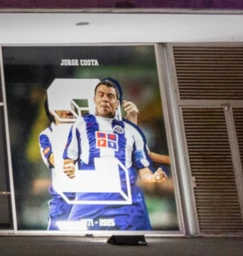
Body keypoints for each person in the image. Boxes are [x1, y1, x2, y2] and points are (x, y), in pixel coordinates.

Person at [60, 78, 171, 231]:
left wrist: (153, 178)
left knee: (139, 245)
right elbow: (69, 158)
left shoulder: (132, 131)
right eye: (101, 94)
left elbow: (143, 169)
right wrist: (69, 167)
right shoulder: (81, 125)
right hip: (91, 198)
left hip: (125, 200)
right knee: (73, 241)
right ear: (94, 99)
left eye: (110, 96)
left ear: (117, 103)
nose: (105, 99)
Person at [38, 97, 79, 231]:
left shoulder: (85, 132)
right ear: (52, 110)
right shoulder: (47, 135)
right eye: (64, 105)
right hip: (64, 198)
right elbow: (55, 160)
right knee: (57, 239)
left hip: (88, 195)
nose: (70, 110)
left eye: (72, 105)